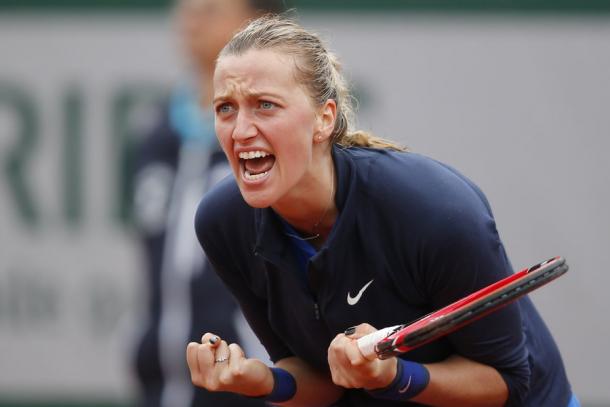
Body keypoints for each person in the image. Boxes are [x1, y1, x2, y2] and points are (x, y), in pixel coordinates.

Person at [186, 15, 578, 407]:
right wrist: (264, 381)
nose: (240, 131)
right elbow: (325, 383)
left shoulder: (436, 212)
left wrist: (395, 375)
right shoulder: (223, 223)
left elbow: (505, 383)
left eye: (265, 105)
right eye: (225, 109)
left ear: (324, 118)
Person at [130, 1, 285, 407]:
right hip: (160, 387)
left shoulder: (280, 139)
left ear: (259, 20)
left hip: (251, 384)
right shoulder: (156, 134)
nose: (191, 19)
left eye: (211, 8)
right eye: (186, 7)